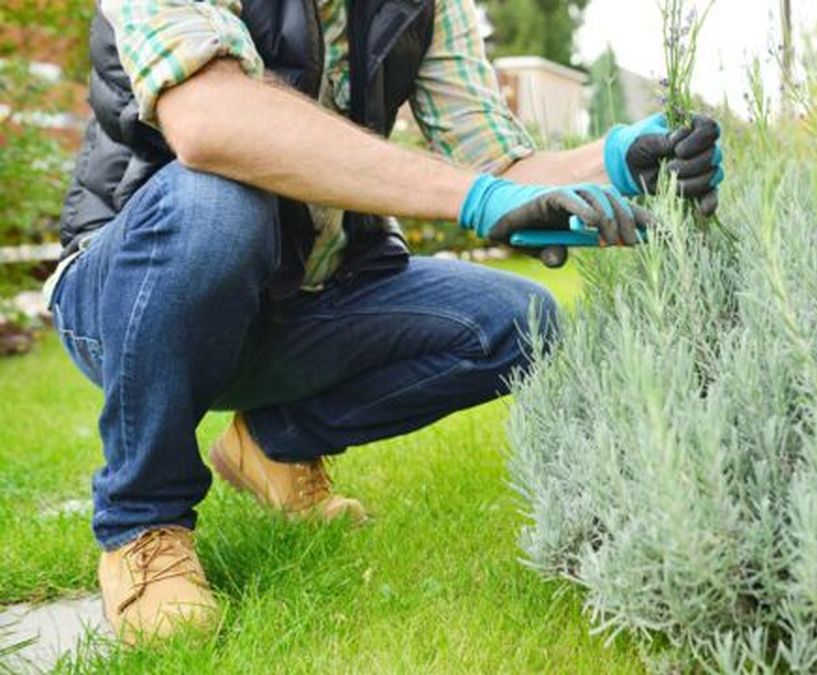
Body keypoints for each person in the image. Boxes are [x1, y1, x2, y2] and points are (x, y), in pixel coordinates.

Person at [46, 0, 724, 645]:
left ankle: (272, 444)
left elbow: (497, 163)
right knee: (219, 203)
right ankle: (144, 522)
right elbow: (209, 121)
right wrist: (477, 200)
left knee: (521, 321)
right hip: (131, 296)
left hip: (304, 291)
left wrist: (616, 161)